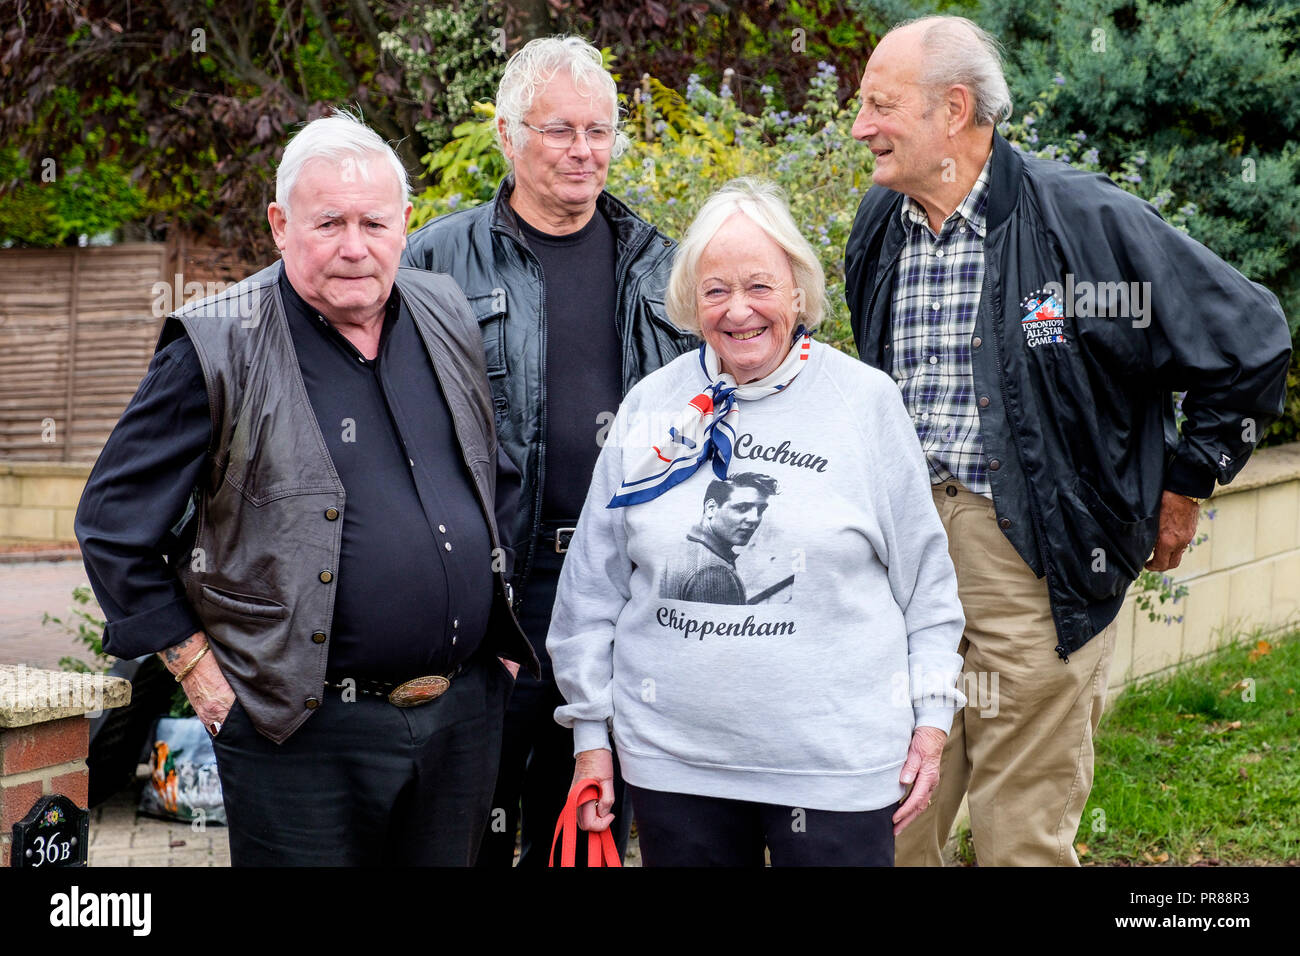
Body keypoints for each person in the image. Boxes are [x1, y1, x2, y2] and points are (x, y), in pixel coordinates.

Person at [843, 16, 1292, 866]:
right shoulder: (881, 224)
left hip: (1031, 559)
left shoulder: (1083, 222)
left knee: (1021, 837)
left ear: (954, 108)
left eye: (879, 105)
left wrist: (1184, 484)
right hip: (901, 561)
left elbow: (1250, 340)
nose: (860, 126)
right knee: (892, 817)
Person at [74, 110, 538, 866]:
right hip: (296, 733)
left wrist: (500, 642)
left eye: (374, 223)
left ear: (406, 224)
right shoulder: (216, 343)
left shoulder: (445, 310)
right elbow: (111, 527)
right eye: (328, 224)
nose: (355, 248)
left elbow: (497, 477)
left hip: (461, 721)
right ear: (280, 224)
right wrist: (196, 669)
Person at [547, 178, 967, 866]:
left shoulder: (865, 403)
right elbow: (591, 591)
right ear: (690, 302)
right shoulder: (653, 406)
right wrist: (591, 735)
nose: (738, 310)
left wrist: (929, 720)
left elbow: (928, 590)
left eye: (760, 287)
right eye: (715, 290)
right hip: (675, 769)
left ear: (799, 292)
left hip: (836, 769)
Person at [402, 35, 694, 867]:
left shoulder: (660, 264)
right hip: (495, 598)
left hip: (618, 597)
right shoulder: (435, 262)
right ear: (507, 134)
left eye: (600, 131)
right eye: (560, 129)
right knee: (470, 827)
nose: (583, 150)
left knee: (589, 830)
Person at [659, 472, 780, 604]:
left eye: (760, 510)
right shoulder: (715, 572)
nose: (754, 519)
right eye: (742, 508)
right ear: (711, 508)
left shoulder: (684, 546)